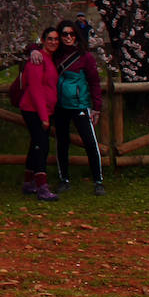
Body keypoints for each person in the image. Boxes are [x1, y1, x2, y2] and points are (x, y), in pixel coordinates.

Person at [52, 20, 105, 196]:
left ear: (77, 35)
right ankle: (64, 179)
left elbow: (94, 82)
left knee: (90, 142)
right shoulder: (55, 55)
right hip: (60, 106)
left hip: (79, 105)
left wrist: (96, 106)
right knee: (62, 143)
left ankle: (98, 180)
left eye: (71, 34)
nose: (68, 37)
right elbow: (35, 47)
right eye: (64, 34)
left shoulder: (85, 57)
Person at [19, 27, 61, 201]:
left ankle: (29, 182)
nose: (53, 42)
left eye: (56, 39)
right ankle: (42, 186)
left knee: (36, 144)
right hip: (34, 109)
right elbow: (36, 89)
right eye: (50, 39)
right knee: (41, 146)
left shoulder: (49, 58)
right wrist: (44, 116)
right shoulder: (37, 59)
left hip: (44, 108)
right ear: (43, 40)